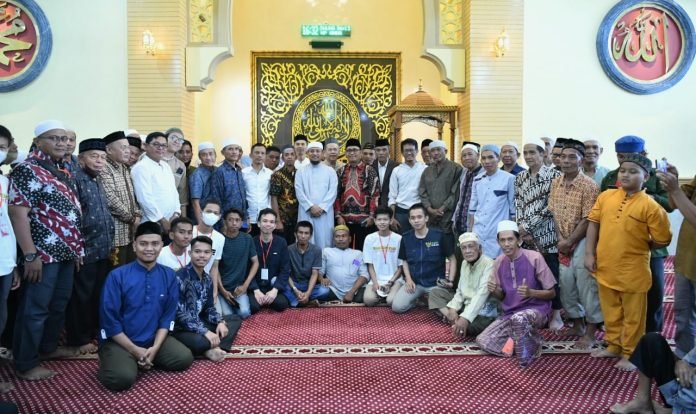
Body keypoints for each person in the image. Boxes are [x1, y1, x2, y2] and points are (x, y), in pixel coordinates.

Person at [9, 120, 84, 381]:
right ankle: (26, 363)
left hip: (66, 252)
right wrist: (30, 255)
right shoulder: (28, 169)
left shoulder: (62, 169)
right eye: (54, 138)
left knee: (58, 304)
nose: (61, 143)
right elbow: (18, 213)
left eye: (64, 138)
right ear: (37, 141)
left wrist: (76, 249)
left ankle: (48, 348)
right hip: (43, 254)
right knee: (36, 308)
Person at [585, 153, 672, 371]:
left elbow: (663, 239)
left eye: (633, 172)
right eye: (623, 171)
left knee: (634, 316)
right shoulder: (606, 196)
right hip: (606, 266)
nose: (625, 175)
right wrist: (589, 254)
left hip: (633, 270)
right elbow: (593, 223)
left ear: (646, 177)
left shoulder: (650, 205)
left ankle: (631, 353)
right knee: (611, 310)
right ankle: (614, 345)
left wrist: (642, 245)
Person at [98, 222, 193, 391]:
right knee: (121, 379)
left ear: (161, 246)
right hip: (120, 342)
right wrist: (135, 350)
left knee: (183, 358)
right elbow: (109, 321)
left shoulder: (168, 275)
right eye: (143, 244)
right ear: (134, 246)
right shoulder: (117, 276)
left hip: (152, 339)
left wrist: (155, 348)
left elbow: (167, 316)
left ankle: (146, 357)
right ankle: (126, 358)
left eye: (155, 244)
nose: (149, 248)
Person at [601, 135, 674, 334]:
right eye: (620, 157)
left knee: (654, 291)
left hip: (651, 247)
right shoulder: (612, 177)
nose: (624, 162)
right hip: (618, 247)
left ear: (642, 153)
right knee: (617, 294)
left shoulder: (657, 175)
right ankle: (623, 337)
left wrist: (648, 197)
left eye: (629, 156)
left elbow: (670, 205)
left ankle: (651, 335)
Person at [476, 221, 557, 368]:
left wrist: (531, 292)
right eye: (502, 240)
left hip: (537, 310)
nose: (506, 244)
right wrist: (494, 290)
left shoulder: (534, 257)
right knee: (483, 341)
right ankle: (530, 340)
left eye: (510, 239)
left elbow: (552, 293)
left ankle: (525, 358)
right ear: (498, 242)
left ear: (518, 240)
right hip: (510, 314)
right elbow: (502, 297)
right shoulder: (498, 262)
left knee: (519, 319)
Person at [548, 138, 602, 349]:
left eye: (572, 157)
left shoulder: (589, 185)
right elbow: (554, 213)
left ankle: (590, 332)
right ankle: (578, 325)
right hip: (563, 241)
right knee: (566, 285)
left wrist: (570, 241)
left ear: (581, 160)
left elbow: (589, 218)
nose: (566, 161)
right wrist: (561, 240)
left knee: (587, 287)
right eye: (563, 157)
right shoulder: (556, 182)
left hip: (583, 241)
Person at [67, 138, 115, 354]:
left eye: (103, 157)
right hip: (85, 249)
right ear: (81, 159)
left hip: (102, 248)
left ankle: (95, 332)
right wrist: (77, 248)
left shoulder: (97, 179)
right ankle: (79, 339)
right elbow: (72, 218)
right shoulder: (75, 180)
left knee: (97, 294)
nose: (99, 161)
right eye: (94, 156)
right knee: (82, 296)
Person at [514, 139, 564, 330]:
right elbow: (518, 203)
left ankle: (556, 314)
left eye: (532, 152)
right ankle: (535, 312)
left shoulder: (555, 176)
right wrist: (521, 228)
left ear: (543, 154)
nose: (528, 156)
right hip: (525, 237)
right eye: (525, 153)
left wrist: (528, 226)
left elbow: (551, 206)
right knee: (529, 275)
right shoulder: (520, 177)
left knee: (551, 275)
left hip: (547, 235)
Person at [173, 236, 241, 361]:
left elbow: (209, 308)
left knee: (234, 319)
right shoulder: (179, 278)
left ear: (211, 254)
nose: (202, 256)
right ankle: (210, 347)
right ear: (190, 253)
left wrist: (220, 322)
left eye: (206, 252)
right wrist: (205, 331)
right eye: (197, 251)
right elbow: (179, 315)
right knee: (200, 342)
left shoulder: (207, 279)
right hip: (181, 328)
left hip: (199, 321)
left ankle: (215, 347)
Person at [658, 167, 696, 358]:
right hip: (687, 257)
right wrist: (673, 183)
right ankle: (683, 356)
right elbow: (674, 204)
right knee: (683, 314)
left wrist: (675, 189)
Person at [391, 204, 456, 313]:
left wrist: (450, 281)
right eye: (413, 218)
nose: (416, 220)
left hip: (436, 284)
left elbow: (452, 259)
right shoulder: (406, 238)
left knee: (446, 309)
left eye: (419, 217)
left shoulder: (439, 235)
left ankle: (429, 300)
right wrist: (408, 279)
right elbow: (404, 260)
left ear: (426, 218)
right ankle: (419, 300)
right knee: (397, 307)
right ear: (409, 220)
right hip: (415, 283)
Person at [609, 333, 695, 414]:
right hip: (679, 390)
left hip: (688, 403)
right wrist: (683, 362)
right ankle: (642, 401)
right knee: (651, 340)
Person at [431, 232, 497, 337]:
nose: (467, 251)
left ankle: (455, 320)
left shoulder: (489, 264)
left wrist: (466, 317)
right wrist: (453, 308)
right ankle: (454, 318)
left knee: (469, 328)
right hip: (465, 306)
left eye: (471, 246)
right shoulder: (464, 263)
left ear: (479, 248)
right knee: (434, 294)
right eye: (464, 248)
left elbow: (481, 295)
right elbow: (460, 291)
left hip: (482, 310)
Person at [468, 144, 516, 257]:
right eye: (484, 158)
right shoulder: (477, 179)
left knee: (499, 262)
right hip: (479, 230)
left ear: (498, 158)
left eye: (490, 157)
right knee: (480, 261)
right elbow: (472, 209)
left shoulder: (509, 178)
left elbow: (513, 209)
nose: (487, 161)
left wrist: (514, 233)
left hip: (499, 230)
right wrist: (470, 232)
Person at [102, 131, 140, 266]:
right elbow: (110, 199)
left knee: (129, 271)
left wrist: (137, 215)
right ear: (109, 150)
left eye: (128, 147)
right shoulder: (104, 168)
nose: (128, 151)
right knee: (116, 272)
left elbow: (133, 196)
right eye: (123, 148)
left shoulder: (124, 168)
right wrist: (132, 219)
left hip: (129, 233)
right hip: (115, 234)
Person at [0, 125, 19, 393]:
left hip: (4, 262)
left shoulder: (4, 181)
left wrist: (13, 263)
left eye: (2, 147)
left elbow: (7, 224)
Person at [131, 132, 181, 234]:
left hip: (170, 222)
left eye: (164, 145)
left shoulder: (165, 166)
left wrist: (176, 214)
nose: (160, 148)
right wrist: (161, 220)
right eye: (156, 144)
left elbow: (174, 192)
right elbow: (144, 198)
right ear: (146, 146)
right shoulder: (141, 167)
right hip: (152, 223)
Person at [335, 138, 380, 250]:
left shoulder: (369, 170)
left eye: (355, 150)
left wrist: (372, 216)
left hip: (364, 221)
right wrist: (338, 215)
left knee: (363, 250)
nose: (352, 153)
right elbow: (336, 195)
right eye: (349, 150)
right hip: (344, 221)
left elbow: (375, 194)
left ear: (360, 153)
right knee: (345, 250)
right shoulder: (340, 171)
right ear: (345, 153)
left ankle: (360, 263)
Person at [295, 141, 337, 249]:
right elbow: (299, 191)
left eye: (317, 151)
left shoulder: (330, 171)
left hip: (324, 213)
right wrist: (310, 207)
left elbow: (332, 192)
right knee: (305, 239)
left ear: (322, 153)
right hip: (306, 211)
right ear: (307, 153)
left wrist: (321, 207)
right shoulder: (300, 171)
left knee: (324, 240)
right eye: (312, 151)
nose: (315, 153)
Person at [217, 208, 258, 319]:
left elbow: (255, 263)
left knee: (244, 313)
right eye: (230, 220)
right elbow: (214, 267)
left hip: (239, 288)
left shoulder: (247, 238)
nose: (234, 223)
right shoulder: (218, 239)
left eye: (237, 220)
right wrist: (222, 290)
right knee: (228, 315)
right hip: (222, 289)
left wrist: (245, 286)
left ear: (241, 222)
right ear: (224, 221)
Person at [250, 209, 291, 313]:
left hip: (272, 285)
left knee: (281, 304)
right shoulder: (251, 242)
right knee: (253, 307)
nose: (268, 224)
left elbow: (285, 269)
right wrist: (255, 289)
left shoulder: (281, 243)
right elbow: (246, 269)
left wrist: (275, 290)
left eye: (272, 222)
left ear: (275, 225)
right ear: (258, 223)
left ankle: (268, 298)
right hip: (256, 285)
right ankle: (261, 297)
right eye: (265, 221)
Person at [418, 141, 462, 236]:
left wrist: (442, 209)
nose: (435, 153)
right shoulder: (427, 171)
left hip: (448, 216)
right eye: (432, 151)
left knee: (447, 242)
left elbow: (455, 192)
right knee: (431, 241)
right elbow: (422, 191)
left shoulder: (456, 168)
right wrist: (429, 209)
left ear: (445, 151)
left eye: (438, 150)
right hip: (430, 217)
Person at [362, 207, 403, 306]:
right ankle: (382, 296)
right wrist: (375, 282)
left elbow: (401, 266)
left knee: (391, 301)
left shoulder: (398, 239)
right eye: (379, 219)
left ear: (391, 221)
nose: (382, 222)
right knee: (368, 300)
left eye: (385, 219)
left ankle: (387, 296)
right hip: (377, 279)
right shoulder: (369, 238)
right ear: (375, 221)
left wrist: (390, 282)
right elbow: (370, 265)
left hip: (394, 280)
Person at [284, 221, 331, 307]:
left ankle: (297, 301)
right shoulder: (288, 249)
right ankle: (303, 302)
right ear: (295, 234)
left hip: (309, 285)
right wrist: (295, 289)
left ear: (310, 236)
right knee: (274, 281)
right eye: (300, 232)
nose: (303, 236)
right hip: (294, 284)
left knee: (325, 290)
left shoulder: (316, 250)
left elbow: (314, 274)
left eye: (306, 233)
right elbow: (286, 273)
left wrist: (308, 292)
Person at [319, 225, 369, 303]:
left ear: (350, 239)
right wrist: (322, 279)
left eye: (343, 236)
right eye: (337, 236)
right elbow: (319, 272)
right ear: (333, 239)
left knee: (367, 296)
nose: (340, 239)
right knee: (321, 291)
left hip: (355, 290)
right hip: (333, 290)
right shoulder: (326, 252)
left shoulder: (357, 254)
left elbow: (364, 275)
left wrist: (352, 292)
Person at [388, 138, 426, 233]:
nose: (409, 153)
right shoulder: (396, 170)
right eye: (406, 150)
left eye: (411, 150)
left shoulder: (424, 169)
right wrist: (392, 217)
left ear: (417, 151)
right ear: (402, 152)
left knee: (420, 238)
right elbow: (392, 196)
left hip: (419, 210)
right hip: (401, 212)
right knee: (402, 239)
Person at [192, 199, 225, 303]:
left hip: (205, 286)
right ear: (201, 213)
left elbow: (214, 267)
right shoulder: (189, 232)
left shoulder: (220, 238)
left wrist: (214, 293)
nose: (212, 215)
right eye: (209, 211)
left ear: (219, 217)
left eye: (215, 213)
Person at [207, 139, 247, 224]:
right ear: (223, 152)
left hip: (241, 219)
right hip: (227, 220)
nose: (234, 152)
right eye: (230, 149)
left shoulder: (239, 170)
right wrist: (222, 222)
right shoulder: (219, 172)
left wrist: (245, 220)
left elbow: (243, 197)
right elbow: (216, 199)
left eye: (236, 149)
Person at [452, 141, 483, 236]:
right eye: (464, 156)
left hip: (477, 225)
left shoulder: (485, 173)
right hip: (460, 222)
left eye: (470, 154)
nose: (467, 158)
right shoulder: (464, 172)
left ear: (478, 156)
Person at [270, 145, 299, 244]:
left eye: (292, 154)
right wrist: (277, 220)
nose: (289, 157)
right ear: (282, 158)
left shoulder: (300, 173)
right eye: (287, 155)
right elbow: (273, 198)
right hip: (283, 219)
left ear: (296, 156)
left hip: (298, 218)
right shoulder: (277, 175)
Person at [242, 143, 273, 236]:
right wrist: (244, 218)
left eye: (262, 153)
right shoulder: (243, 173)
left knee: (263, 242)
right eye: (257, 152)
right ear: (251, 155)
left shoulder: (270, 174)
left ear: (265, 156)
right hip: (247, 217)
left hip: (265, 218)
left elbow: (271, 196)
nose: (260, 155)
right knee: (247, 241)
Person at [188, 141, 217, 225]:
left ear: (215, 155)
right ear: (199, 157)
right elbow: (195, 203)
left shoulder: (217, 170)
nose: (208, 157)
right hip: (203, 217)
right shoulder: (197, 175)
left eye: (211, 154)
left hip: (215, 215)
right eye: (204, 155)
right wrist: (201, 223)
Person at [163, 128, 189, 216]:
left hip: (172, 212)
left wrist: (183, 219)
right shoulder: (152, 158)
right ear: (165, 139)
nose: (177, 141)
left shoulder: (181, 165)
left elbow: (182, 193)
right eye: (174, 138)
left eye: (180, 140)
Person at [373, 138, 398, 208]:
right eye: (378, 150)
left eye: (384, 150)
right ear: (375, 151)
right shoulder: (371, 167)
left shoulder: (396, 167)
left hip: (392, 205)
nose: (381, 153)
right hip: (375, 206)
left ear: (389, 150)